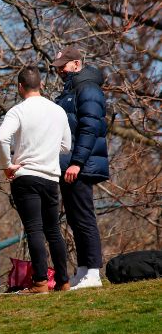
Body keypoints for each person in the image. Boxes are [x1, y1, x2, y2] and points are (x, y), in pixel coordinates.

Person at [0, 66, 72, 293]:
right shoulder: (58, 111)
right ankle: (63, 281)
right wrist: (47, 149)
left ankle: (39, 282)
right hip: (50, 177)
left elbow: (1, 138)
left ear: (20, 86)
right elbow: (66, 146)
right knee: (53, 230)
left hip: (26, 176)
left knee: (34, 229)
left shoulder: (18, 111)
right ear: (42, 85)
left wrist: (7, 165)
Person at [51, 46, 110, 289]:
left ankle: (94, 272)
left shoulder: (87, 88)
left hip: (80, 165)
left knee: (84, 218)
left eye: (63, 66)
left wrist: (77, 162)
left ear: (76, 63)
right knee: (76, 218)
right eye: (57, 68)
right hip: (70, 166)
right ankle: (84, 270)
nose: (60, 71)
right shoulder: (71, 90)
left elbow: (89, 127)